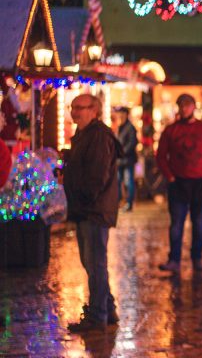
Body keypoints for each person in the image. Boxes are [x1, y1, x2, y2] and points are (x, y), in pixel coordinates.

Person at [63, 94, 121, 332]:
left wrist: (83, 198)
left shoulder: (97, 136)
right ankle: (107, 308)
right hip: (88, 208)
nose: (75, 112)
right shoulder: (85, 135)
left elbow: (97, 175)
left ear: (93, 110)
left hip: (94, 209)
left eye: (80, 108)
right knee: (92, 262)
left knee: (95, 262)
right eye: (72, 107)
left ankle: (98, 316)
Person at [156, 94, 202, 273]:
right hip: (178, 183)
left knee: (198, 222)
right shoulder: (171, 131)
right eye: (181, 105)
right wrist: (170, 177)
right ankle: (174, 259)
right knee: (177, 223)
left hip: (200, 183)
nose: (184, 109)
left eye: (187, 105)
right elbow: (161, 156)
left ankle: (197, 258)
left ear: (193, 107)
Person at [114, 107, 138, 212]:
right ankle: (120, 201)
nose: (120, 115)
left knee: (128, 182)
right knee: (119, 181)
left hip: (128, 159)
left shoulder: (130, 127)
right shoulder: (121, 127)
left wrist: (122, 152)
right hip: (121, 160)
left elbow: (132, 142)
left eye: (122, 113)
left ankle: (129, 203)